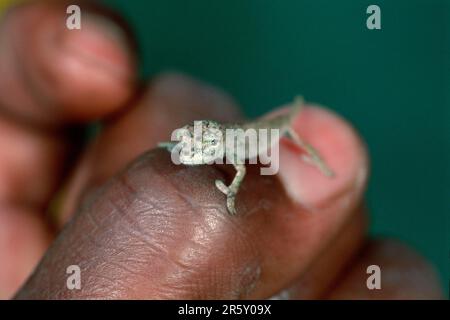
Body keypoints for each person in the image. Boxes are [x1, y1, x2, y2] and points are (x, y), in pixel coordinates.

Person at [0, 1, 442, 299]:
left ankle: (313, 155)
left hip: (262, 134)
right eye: (192, 140)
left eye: (198, 142)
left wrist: (231, 194)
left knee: (287, 137)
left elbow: (241, 171)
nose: (190, 146)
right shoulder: (197, 136)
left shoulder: (235, 149)